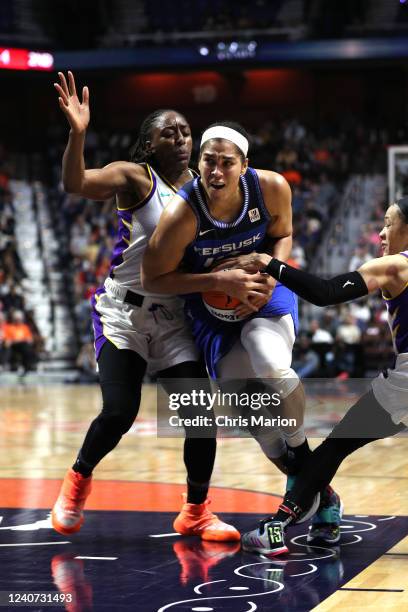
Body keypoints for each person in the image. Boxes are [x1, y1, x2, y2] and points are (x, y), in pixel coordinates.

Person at [51, 71, 246, 542]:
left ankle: (196, 510)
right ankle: (76, 482)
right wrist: (78, 134)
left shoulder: (209, 189)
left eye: (185, 131)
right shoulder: (135, 178)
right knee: (120, 412)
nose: (180, 138)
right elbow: (75, 183)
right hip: (126, 312)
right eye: (168, 132)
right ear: (150, 144)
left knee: (201, 419)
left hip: (177, 315)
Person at [142, 121, 341, 538]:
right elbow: (153, 280)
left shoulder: (271, 188)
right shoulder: (182, 212)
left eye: (226, 163)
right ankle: (320, 489)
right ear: (198, 164)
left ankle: (301, 458)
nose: (215, 172)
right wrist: (216, 282)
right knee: (247, 413)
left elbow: (282, 234)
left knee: (269, 362)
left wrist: (270, 274)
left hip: (263, 297)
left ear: (244, 165)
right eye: (208, 162)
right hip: (213, 314)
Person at [241, 197, 408, 557]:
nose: (380, 232)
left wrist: (273, 265)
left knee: (336, 446)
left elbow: (326, 293)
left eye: (389, 223)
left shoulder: (395, 266)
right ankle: (323, 518)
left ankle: (277, 526)